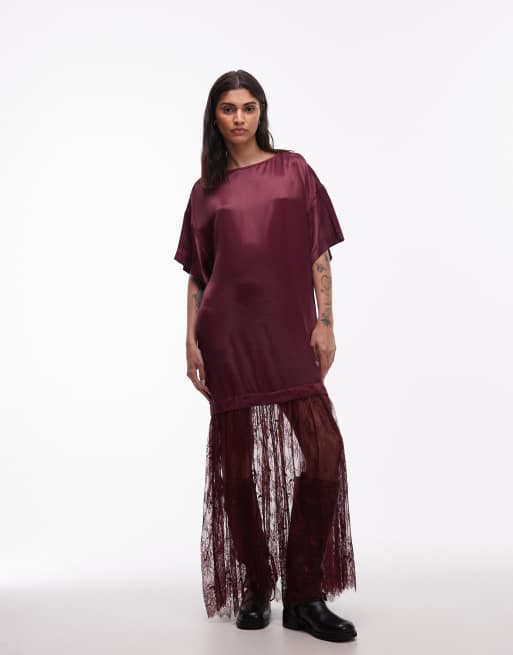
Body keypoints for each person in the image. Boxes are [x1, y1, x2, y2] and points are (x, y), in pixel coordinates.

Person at [173, 70, 357, 643]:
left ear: (261, 113)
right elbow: (198, 275)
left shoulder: (293, 170)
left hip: (289, 330)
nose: (239, 118)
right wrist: (190, 338)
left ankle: (303, 595)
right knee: (235, 466)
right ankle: (255, 586)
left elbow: (319, 252)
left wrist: (326, 321)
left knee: (324, 450)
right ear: (214, 117)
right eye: (228, 108)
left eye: (249, 107)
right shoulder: (205, 191)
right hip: (227, 333)